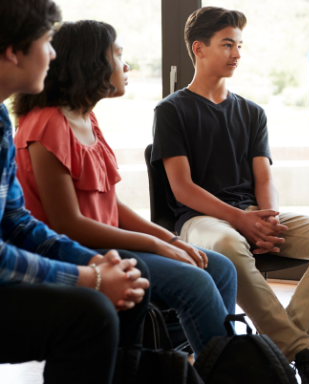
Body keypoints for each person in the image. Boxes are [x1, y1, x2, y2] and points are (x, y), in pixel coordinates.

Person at [150, 7, 309, 383]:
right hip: (200, 220)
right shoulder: (170, 111)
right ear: (199, 48)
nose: (237, 54)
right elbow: (182, 188)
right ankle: (302, 353)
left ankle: (270, 352)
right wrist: (241, 220)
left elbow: (264, 178)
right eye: (227, 44)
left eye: (240, 45)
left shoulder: (252, 112)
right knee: (228, 248)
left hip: (252, 212)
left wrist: (269, 217)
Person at [12, 20, 237, 357]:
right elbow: (68, 225)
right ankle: (227, 372)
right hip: (80, 250)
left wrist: (170, 239)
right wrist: (157, 245)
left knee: (220, 267)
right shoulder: (47, 124)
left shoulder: (87, 118)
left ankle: (199, 365)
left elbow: (111, 206)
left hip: (108, 241)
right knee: (196, 282)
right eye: (117, 54)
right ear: (89, 63)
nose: (126, 64)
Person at [0, 1, 149, 383]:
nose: (53, 53)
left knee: (131, 279)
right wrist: (88, 278)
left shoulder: (1, 118)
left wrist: (96, 264)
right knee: (92, 313)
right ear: (12, 51)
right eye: (48, 41)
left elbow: (16, 221)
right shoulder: (45, 124)